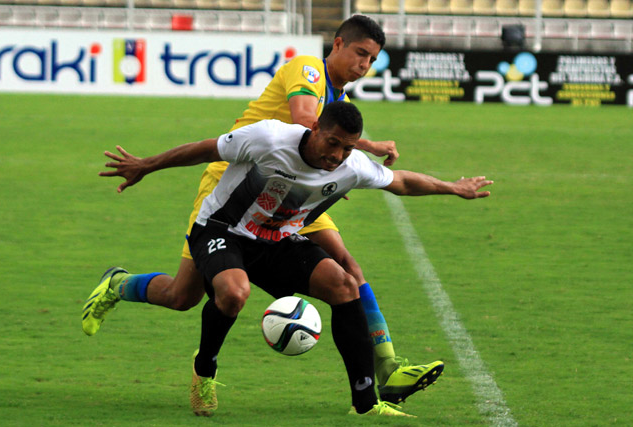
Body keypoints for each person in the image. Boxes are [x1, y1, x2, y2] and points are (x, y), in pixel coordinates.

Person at [83, 15, 441, 405]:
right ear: (337, 45)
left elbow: (327, 144)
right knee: (182, 295)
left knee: (346, 270)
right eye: (360, 53)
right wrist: (359, 149)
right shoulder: (308, 70)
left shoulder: (343, 103)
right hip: (237, 186)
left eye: (371, 60)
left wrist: (335, 169)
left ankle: (386, 367)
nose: (363, 65)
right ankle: (119, 283)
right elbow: (307, 121)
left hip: (298, 189)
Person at [96, 102, 492, 417]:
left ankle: (367, 403)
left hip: (278, 240)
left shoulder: (350, 165)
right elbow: (205, 149)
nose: (337, 155)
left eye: (348, 148)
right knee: (232, 293)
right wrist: (146, 165)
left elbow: (402, 181)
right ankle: (204, 373)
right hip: (221, 229)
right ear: (315, 128)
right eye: (332, 143)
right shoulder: (269, 138)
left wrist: (454, 188)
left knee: (344, 284)